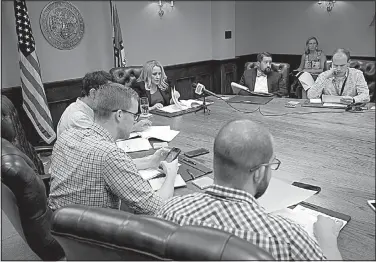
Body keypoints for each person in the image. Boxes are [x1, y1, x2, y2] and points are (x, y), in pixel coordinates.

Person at [157, 119, 343, 260]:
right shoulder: (287, 238)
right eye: (272, 165)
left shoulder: (169, 211)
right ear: (259, 172)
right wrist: (327, 238)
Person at [48, 83, 178, 215]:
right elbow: (158, 208)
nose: (135, 121)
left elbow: (104, 166)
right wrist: (171, 173)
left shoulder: (67, 136)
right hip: (93, 232)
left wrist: (150, 161)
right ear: (119, 115)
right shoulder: (109, 154)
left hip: (57, 224)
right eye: (134, 115)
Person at [57, 71, 151, 138]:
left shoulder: (90, 109)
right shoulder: (78, 117)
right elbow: (102, 139)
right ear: (93, 93)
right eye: (106, 93)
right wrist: (132, 127)